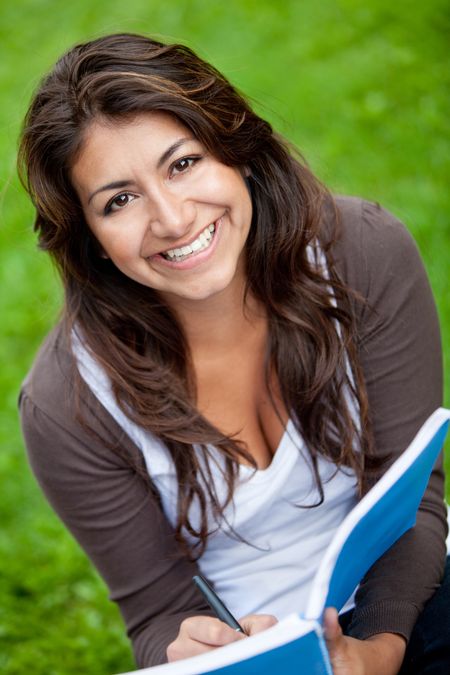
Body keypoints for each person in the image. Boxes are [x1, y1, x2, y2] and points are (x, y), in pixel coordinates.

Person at [18, 32, 449, 674]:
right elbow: (155, 611)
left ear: (236, 149)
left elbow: (416, 499)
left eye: (183, 163)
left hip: (417, 594)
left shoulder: (363, 253)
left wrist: (379, 649)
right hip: (263, 648)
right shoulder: (68, 405)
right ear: (91, 239)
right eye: (120, 200)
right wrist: (187, 643)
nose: (171, 217)